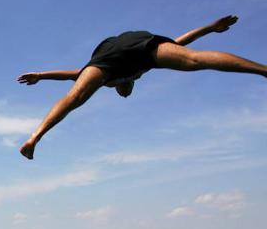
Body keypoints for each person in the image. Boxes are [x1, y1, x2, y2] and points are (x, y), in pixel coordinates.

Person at [17, 15, 267, 160]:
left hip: (114, 49)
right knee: (195, 58)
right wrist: (209, 28)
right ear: (128, 84)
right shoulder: (137, 70)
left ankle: (34, 138)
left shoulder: (106, 77)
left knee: (76, 96)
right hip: (137, 42)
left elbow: (72, 76)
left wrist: (42, 75)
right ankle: (262, 70)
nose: (122, 92)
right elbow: (183, 41)